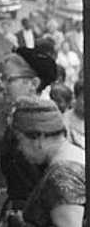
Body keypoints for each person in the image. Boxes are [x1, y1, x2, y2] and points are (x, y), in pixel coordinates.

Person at [0, 44, 60, 224]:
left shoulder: (43, 125)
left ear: (34, 84)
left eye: (8, 80)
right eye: (1, 79)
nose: (3, 86)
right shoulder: (19, 117)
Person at [7, 97, 85, 227]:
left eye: (20, 140)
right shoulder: (76, 154)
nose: (19, 148)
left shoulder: (62, 175)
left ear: (38, 137)